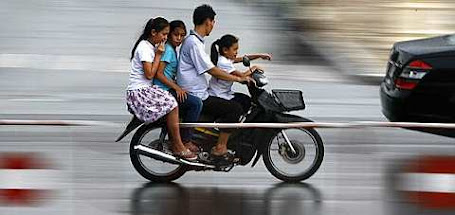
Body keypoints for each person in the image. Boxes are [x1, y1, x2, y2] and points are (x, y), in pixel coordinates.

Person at [177, 4, 251, 160]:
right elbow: (212, 70)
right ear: (207, 21)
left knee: (242, 102)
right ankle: (220, 147)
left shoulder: (196, 42)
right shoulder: (193, 43)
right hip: (196, 95)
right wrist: (238, 79)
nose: (213, 25)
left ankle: (219, 135)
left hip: (199, 92)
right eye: (213, 21)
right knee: (234, 109)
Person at [126, 17, 196, 160]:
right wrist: (158, 54)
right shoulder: (145, 48)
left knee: (172, 103)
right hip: (139, 92)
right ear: (153, 32)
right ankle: (177, 145)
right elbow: (150, 74)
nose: (165, 38)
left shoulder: (151, 46)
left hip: (145, 89)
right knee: (172, 104)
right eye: (164, 34)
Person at [153, 20, 201, 152]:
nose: (179, 38)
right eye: (176, 34)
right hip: (163, 90)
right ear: (169, 35)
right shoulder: (168, 49)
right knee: (196, 103)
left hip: (168, 87)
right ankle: (186, 141)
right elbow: (159, 74)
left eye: (182, 35)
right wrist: (177, 88)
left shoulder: (172, 49)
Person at [209, 34, 271, 113]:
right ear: (225, 50)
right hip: (219, 95)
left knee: (246, 100)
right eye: (234, 49)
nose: (236, 52)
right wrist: (254, 68)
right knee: (243, 103)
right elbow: (242, 76)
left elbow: (243, 58)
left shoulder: (225, 58)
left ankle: (241, 120)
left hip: (225, 93)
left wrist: (260, 56)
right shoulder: (223, 62)